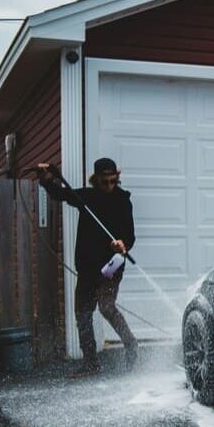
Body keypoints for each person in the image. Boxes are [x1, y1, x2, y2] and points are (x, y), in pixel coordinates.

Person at [38, 158, 138, 376]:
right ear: (96, 180)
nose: (110, 186)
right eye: (105, 182)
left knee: (106, 306)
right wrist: (46, 181)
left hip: (112, 265)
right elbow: (60, 194)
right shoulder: (86, 198)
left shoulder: (123, 201)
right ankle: (91, 363)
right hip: (87, 267)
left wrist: (123, 244)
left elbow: (129, 234)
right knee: (82, 313)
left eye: (113, 181)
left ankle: (131, 345)